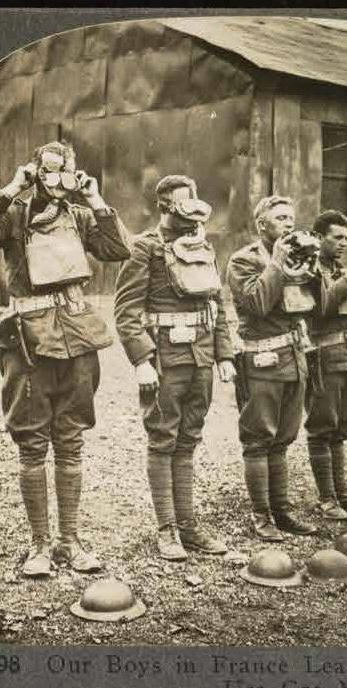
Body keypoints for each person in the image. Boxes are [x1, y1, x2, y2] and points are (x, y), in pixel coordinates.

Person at [0, 140, 130, 576]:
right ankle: (38, 546)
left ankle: (69, 542)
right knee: (32, 443)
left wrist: (95, 198)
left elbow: (118, 249)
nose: (57, 181)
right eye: (48, 171)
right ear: (36, 171)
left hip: (77, 337)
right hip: (27, 341)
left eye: (65, 171)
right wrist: (11, 188)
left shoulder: (81, 215)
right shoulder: (14, 215)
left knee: (70, 439)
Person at [114, 175, 234, 560]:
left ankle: (188, 526)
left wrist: (225, 355)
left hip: (200, 360)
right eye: (185, 204)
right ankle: (167, 529)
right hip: (165, 361)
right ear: (165, 207)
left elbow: (217, 305)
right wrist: (141, 361)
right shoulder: (144, 249)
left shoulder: (204, 247)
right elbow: (127, 312)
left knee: (189, 440)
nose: (193, 212)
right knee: (163, 440)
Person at [225, 195, 319, 541]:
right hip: (262, 361)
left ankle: (281, 509)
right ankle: (261, 515)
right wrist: (277, 263)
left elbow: (319, 306)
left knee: (284, 438)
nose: (289, 224)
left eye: (291, 217)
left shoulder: (298, 259)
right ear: (261, 225)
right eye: (280, 218)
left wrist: (314, 266)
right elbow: (257, 304)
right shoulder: (243, 260)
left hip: (295, 360)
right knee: (259, 438)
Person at [303, 210, 347, 520]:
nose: (344, 243)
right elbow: (320, 309)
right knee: (323, 425)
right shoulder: (308, 269)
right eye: (338, 237)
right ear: (319, 238)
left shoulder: (342, 270)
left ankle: (342, 493)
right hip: (324, 355)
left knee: (343, 426)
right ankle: (326, 497)